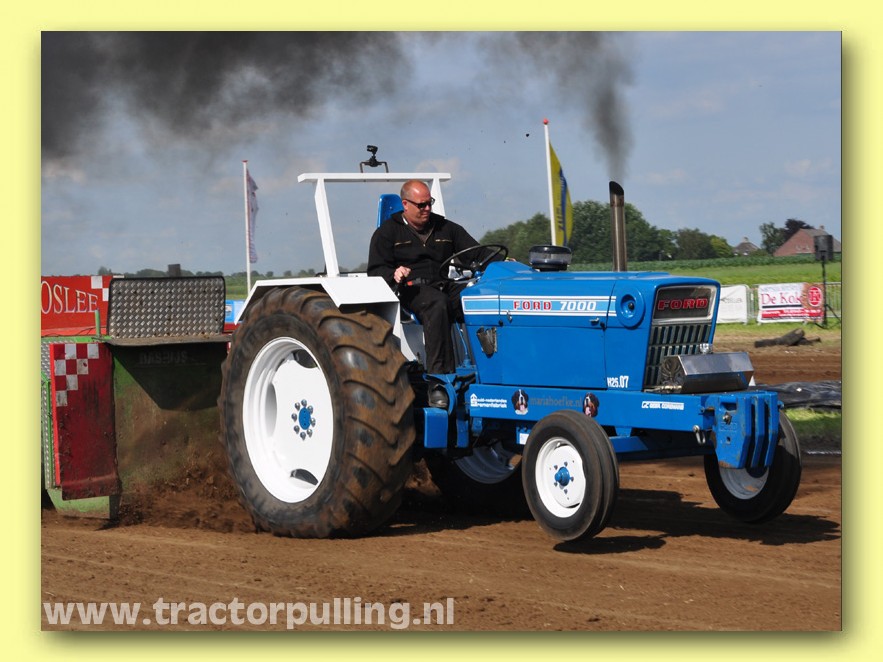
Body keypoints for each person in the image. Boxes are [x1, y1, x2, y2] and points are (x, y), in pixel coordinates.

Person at [368, 180, 493, 406]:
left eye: (429, 203)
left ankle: (490, 371)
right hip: (410, 290)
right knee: (437, 303)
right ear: (405, 204)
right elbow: (376, 270)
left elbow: (477, 254)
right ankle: (439, 381)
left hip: (444, 284)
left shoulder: (445, 228)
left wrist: (502, 262)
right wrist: (394, 273)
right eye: (421, 205)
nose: (427, 209)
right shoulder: (387, 233)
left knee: (479, 297)